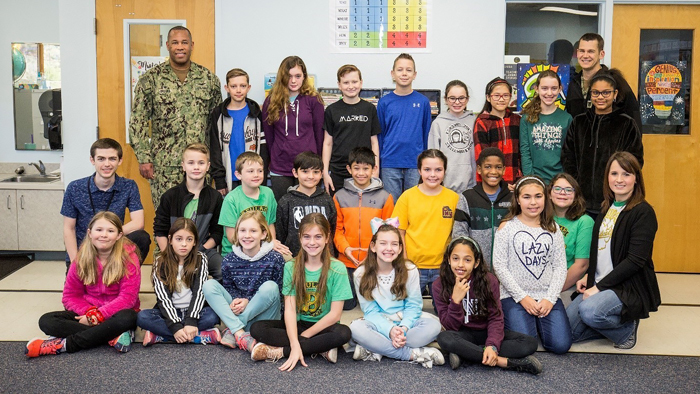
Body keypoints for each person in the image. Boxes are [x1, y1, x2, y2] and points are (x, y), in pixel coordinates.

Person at [567, 152, 661, 349]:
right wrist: (589, 278)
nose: (619, 180)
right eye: (614, 173)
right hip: (601, 281)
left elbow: (635, 261)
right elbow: (601, 252)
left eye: (626, 174)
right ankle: (604, 320)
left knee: (590, 312)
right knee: (569, 332)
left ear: (636, 179)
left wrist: (598, 288)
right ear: (607, 177)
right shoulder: (606, 208)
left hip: (626, 286)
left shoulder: (643, 212)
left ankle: (625, 329)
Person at [129, 26, 222, 210]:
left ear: (191, 45)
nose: (180, 47)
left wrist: (216, 166)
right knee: (167, 218)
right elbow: (138, 121)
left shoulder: (208, 79)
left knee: (199, 219)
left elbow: (216, 125)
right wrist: (144, 157)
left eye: (184, 42)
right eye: (175, 43)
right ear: (167, 46)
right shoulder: (150, 80)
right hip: (164, 166)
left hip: (199, 165)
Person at [26, 212, 140, 357]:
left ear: (119, 235)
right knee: (47, 321)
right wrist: (90, 313)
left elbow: (127, 299)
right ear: (90, 233)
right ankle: (110, 335)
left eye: (110, 231)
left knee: (129, 317)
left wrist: (97, 317)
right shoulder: (81, 259)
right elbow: (70, 296)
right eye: (99, 230)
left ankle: (65, 345)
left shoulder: (129, 258)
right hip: (87, 311)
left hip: (116, 313)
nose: (104, 235)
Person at [249, 213, 352, 371]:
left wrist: (299, 340)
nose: (312, 242)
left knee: (344, 333)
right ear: (300, 237)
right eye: (307, 236)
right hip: (297, 324)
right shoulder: (291, 266)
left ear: (327, 238)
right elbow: (289, 309)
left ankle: (279, 352)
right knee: (257, 328)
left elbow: (335, 315)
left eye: (318, 237)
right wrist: (295, 338)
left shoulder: (337, 268)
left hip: (324, 326)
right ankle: (319, 348)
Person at [433, 237, 542, 374]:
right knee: (444, 338)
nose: (460, 264)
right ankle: (503, 362)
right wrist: (455, 301)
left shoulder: (489, 281)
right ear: (449, 260)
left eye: (467, 260)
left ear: (476, 263)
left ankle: (467, 355)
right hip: (462, 334)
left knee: (529, 343)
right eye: (455, 258)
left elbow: (496, 318)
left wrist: (492, 345)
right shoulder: (439, 285)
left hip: (486, 332)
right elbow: (450, 326)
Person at [492, 176, 572, 354]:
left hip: (545, 296)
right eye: (527, 197)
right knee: (526, 345)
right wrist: (523, 298)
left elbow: (559, 266)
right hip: (515, 297)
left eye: (538, 196)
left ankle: (541, 322)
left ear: (546, 198)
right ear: (518, 200)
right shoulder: (506, 227)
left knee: (561, 345)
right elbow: (499, 266)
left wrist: (550, 298)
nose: (533, 202)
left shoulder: (553, 228)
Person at [350, 222, 444, 368]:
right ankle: (413, 354)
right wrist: (390, 330)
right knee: (356, 329)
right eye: (383, 243)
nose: (389, 248)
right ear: (373, 246)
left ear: (400, 248)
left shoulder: (410, 270)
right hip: (378, 323)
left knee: (434, 326)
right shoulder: (360, 274)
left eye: (394, 244)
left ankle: (376, 349)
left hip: (405, 324)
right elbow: (370, 311)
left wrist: (403, 328)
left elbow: (413, 306)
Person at [561, 71, 644, 218]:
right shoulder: (578, 122)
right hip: (581, 202)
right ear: (590, 94)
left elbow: (635, 161)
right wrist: (576, 185)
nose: (600, 97)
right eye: (596, 93)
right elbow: (568, 157)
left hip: (614, 201)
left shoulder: (626, 124)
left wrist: (618, 189)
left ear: (615, 94)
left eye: (606, 93)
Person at [61, 138, 150, 270]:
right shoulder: (75, 188)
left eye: (112, 159)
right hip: (84, 252)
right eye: (101, 159)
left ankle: (125, 276)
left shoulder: (129, 186)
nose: (107, 164)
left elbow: (138, 223)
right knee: (75, 290)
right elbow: (69, 228)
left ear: (120, 161)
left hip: (114, 250)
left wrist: (109, 235)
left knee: (142, 237)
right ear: (92, 160)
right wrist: (76, 264)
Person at [202, 211, 285, 352]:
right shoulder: (229, 260)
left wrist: (248, 300)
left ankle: (233, 329)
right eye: (242, 230)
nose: (247, 235)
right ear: (237, 233)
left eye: (253, 231)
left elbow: (281, 295)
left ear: (263, 234)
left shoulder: (275, 259)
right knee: (209, 285)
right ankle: (240, 332)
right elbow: (230, 288)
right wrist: (236, 300)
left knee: (270, 287)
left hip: (266, 317)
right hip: (240, 311)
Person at [137, 218, 221, 346]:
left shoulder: (200, 258)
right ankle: (196, 336)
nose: (184, 244)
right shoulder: (160, 261)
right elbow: (163, 297)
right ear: (170, 240)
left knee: (213, 315)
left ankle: (164, 336)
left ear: (194, 242)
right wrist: (175, 326)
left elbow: (199, 292)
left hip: (194, 311)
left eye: (189, 239)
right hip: (170, 313)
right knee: (142, 317)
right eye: (179, 239)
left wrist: (191, 320)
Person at [334, 147, 395, 310]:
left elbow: (388, 232)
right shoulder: (339, 196)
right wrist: (345, 249)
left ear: (374, 169)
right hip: (347, 261)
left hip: (374, 262)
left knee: (373, 304)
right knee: (347, 306)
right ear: (349, 169)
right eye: (356, 168)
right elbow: (337, 230)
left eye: (366, 168)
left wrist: (374, 252)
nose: (361, 173)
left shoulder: (385, 197)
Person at [393, 149, 459, 297]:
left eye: (438, 170)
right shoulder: (407, 197)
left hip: (443, 268)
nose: (433, 175)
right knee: (409, 309)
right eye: (427, 169)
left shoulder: (454, 199)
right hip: (413, 266)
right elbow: (399, 232)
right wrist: (404, 263)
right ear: (419, 171)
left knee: (444, 312)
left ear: (445, 171)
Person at [154, 143, 224, 281]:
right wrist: (169, 254)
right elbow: (160, 231)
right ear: (183, 166)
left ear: (208, 166)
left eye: (201, 163)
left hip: (203, 250)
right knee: (163, 272)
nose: (196, 167)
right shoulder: (170, 196)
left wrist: (200, 251)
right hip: (174, 251)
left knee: (223, 269)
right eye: (191, 163)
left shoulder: (215, 197)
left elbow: (217, 233)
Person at [262, 56, 325, 200]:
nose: (293, 81)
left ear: (304, 77)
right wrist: (275, 157)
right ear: (282, 77)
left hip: (308, 167)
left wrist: (318, 164)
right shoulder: (271, 101)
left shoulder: (314, 100)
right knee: (284, 211)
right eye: (289, 76)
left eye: (298, 76)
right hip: (280, 167)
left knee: (308, 211)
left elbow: (319, 134)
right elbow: (269, 136)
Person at [377, 53, 432, 202]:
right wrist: (379, 163)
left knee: (415, 205)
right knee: (392, 208)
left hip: (415, 163)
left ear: (414, 75)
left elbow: (426, 133)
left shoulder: (423, 102)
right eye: (400, 69)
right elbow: (379, 135)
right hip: (390, 163)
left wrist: (426, 163)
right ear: (393, 74)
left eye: (408, 70)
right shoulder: (384, 102)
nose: (404, 73)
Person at [322, 64, 381, 196]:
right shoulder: (331, 110)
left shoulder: (369, 109)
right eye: (346, 82)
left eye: (354, 82)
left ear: (361, 83)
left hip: (363, 170)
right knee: (338, 210)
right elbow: (327, 143)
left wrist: (375, 169)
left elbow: (374, 142)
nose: (351, 86)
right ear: (339, 85)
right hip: (338, 170)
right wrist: (325, 172)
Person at [209, 68, 268, 195]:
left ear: (249, 87)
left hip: (253, 177)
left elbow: (263, 147)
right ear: (227, 88)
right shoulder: (218, 114)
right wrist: (219, 180)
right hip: (229, 178)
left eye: (243, 86)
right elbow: (214, 149)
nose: (238, 90)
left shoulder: (256, 113)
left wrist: (261, 176)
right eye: (233, 86)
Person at [566, 33, 641, 130]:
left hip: (610, 143)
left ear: (601, 54)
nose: (585, 55)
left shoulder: (615, 82)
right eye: (582, 51)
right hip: (580, 144)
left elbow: (634, 119)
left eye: (591, 51)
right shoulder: (573, 84)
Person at [453, 148, 513, 268]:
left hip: (507, 269)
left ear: (504, 170)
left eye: (498, 167)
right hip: (475, 269)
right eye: (488, 167)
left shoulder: (513, 198)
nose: (493, 172)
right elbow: (459, 234)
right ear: (479, 169)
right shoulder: (467, 197)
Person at [217, 152, 281, 257]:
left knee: (286, 259)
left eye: (260, 171)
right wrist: (255, 247)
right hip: (236, 250)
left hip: (264, 246)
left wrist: (272, 242)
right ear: (238, 175)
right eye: (250, 171)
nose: (256, 175)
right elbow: (231, 235)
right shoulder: (231, 199)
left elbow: (270, 224)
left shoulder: (268, 193)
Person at [276, 152, 337, 257]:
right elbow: (281, 234)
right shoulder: (286, 201)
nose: (311, 176)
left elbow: (332, 229)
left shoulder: (327, 200)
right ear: (295, 172)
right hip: (295, 258)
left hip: (324, 259)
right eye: (305, 171)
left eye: (316, 172)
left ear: (321, 174)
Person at [520, 70, 572, 184]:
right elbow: (525, 152)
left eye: (554, 88)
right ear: (536, 89)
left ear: (560, 89)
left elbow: (569, 154)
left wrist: (564, 179)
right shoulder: (526, 119)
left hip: (560, 180)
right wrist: (530, 179)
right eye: (544, 88)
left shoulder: (567, 118)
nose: (549, 93)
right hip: (535, 180)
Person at [428, 80, 477, 194]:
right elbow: (433, 156)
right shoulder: (438, 123)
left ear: (467, 99)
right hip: (446, 185)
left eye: (461, 98)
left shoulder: (474, 121)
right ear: (446, 99)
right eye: (452, 98)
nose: (457, 102)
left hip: (470, 185)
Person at [547, 173, 594, 292]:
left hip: (569, 284)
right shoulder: (541, 218)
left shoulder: (584, 222)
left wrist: (551, 292)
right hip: (540, 283)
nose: (562, 193)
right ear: (549, 194)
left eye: (568, 190)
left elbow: (581, 266)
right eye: (557, 189)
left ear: (576, 196)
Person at [473, 77, 522, 184]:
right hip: (492, 182)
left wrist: (520, 180)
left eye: (505, 95)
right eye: (496, 96)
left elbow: (521, 154)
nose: (501, 99)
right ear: (488, 98)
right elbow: (482, 158)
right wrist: (502, 184)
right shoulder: (482, 122)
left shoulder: (517, 120)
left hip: (516, 181)